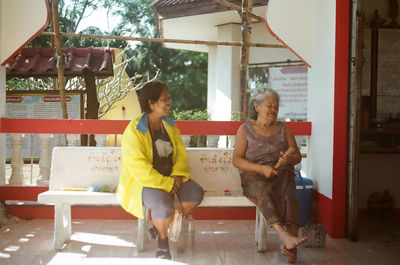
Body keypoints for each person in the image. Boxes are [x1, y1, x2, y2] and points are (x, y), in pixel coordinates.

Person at [117, 80, 204, 260]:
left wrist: (177, 176)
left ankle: (158, 227)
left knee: (196, 193)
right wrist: (166, 183)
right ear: (151, 103)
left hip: (172, 178)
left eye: (168, 98)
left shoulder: (169, 125)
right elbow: (138, 167)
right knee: (163, 206)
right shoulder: (134, 130)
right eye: (164, 99)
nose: (168, 102)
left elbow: (180, 153)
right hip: (145, 183)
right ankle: (163, 246)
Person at [232, 88, 307, 263]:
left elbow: (296, 155)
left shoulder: (284, 128)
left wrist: (289, 158)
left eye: (276, 106)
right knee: (264, 190)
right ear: (256, 107)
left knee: (289, 194)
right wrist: (261, 169)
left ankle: (291, 248)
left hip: (281, 173)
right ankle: (285, 237)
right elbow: (237, 160)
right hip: (254, 176)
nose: (273, 109)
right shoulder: (245, 130)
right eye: (269, 105)